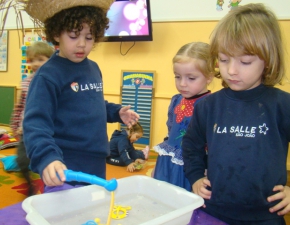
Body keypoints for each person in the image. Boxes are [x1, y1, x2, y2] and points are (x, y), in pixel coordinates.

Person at [182, 3, 290, 225]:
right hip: (213, 211)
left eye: (245, 61)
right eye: (223, 59)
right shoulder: (207, 106)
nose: (231, 70)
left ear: (268, 59)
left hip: (265, 217)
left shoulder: (282, 104)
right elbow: (191, 146)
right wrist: (195, 177)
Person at [22, 0, 139, 187]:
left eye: (89, 37)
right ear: (56, 33)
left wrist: (116, 112)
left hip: (96, 160)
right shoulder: (48, 76)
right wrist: (47, 157)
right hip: (64, 162)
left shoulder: (93, 68)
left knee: (93, 212)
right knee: (65, 215)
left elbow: (92, 103)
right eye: (74, 36)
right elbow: (36, 124)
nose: (82, 44)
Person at [153, 42, 215, 191]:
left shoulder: (211, 105)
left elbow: (213, 143)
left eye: (191, 78)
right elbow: (171, 130)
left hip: (192, 168)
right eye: (177, 76)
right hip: (167, 163)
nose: (182, 84)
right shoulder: (176, 100)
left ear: (209, 77)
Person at [10, 41, 54, 196]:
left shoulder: (53, 81)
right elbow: (20, 105)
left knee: (46, 162)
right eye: (32, 60)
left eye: (40, 59)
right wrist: (15, 125)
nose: (36, 64)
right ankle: (30, 186)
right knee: (22, 160)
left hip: (45, 131)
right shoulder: (27, 82)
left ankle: (49, 190)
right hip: (25, 130)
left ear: (50, 59)